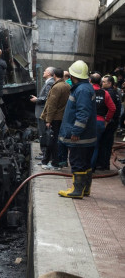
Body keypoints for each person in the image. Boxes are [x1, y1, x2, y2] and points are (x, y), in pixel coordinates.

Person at [58, 60, 96, 199]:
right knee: (85, 163)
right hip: (87, 136)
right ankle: (85, 189)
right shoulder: (86, 88)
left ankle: (77, 190)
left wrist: (76, 132)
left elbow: (82, 113)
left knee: (77, 162)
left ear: (73, 76)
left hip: (80, 137)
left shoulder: (81, 90)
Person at [40, 68, 70, 170]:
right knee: (54, 139)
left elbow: (52, 105)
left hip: (55, 118)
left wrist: (48, 120)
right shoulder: (67, 86)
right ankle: (47, 161)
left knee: (51, 140)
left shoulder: (57, 87)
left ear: (54, 76)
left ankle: (54, 163)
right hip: (61, 117)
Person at [89, 72, 115, 172]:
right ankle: (91, 168)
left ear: (90, 81)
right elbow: (112, 108)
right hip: (100, 122)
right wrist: (106, 120)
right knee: (95, 146)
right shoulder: (105, 93)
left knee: (85, 145)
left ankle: (84, 168)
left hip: (87, 121)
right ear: (100, 82)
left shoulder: (87, 91)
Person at [96, 75, 121, 170]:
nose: (102, 83)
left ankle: (102, 164)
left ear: (110, 83)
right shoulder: (114, 92)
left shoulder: (109, 93)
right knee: (108, 143)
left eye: (104, 82)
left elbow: (111, 108)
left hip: (109, 122)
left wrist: (106, 120)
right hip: (113, 122)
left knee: (104, 143)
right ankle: (105, 164)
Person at [31, 67, 55, 160]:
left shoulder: (49, 83)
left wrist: (37, 99)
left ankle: (45, 154)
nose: (43, 72)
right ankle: (44, 153)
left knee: (43, 133)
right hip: (42, 111)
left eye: (45, 71)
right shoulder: (48, 82)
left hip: (43, 112)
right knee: (43, 133)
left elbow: (47, 98)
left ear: (49, 73)